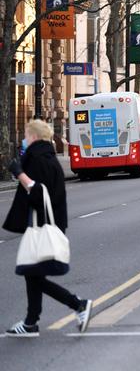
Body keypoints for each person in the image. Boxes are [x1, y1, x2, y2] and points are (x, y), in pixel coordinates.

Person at [4, 120, 92, 337]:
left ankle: (78, 304)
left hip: (44, 224)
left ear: (33, 136)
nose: (24, 138)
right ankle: (31, 322)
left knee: (31, 273)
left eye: (26, 134)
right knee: (33, 274)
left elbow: (38, 193)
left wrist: (19, 173)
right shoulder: (46, 156)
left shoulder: (38, 159)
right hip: (49, 223)